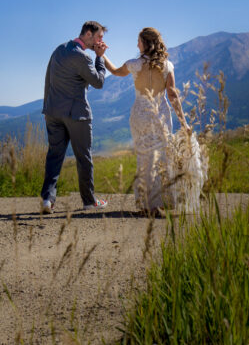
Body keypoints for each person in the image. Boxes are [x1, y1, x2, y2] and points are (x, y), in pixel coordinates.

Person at [103, 27, 207, 215]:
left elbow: (115, 71)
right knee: (161, 158)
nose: (137, 44)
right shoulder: (167, 66)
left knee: (144, 157)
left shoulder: (133, 64)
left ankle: (146, 205)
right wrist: (184, 122)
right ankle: (159, 203)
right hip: (161, 114)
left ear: (146, 43)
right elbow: (173, 94)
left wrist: (102, 55)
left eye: (139, 41)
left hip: (140, 114)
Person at [40, 21, 110, 214]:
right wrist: (100, 58)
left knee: (54, 156)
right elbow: (98, 82)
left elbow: (48, 79)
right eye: (99, 37)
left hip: (53, 112)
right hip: (77, 115)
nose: (101, 41)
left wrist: (46, 108)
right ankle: (89, 201)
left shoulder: (59, 50)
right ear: (88, 34)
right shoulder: (83, 57)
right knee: (84, 158)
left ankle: (47, 200)